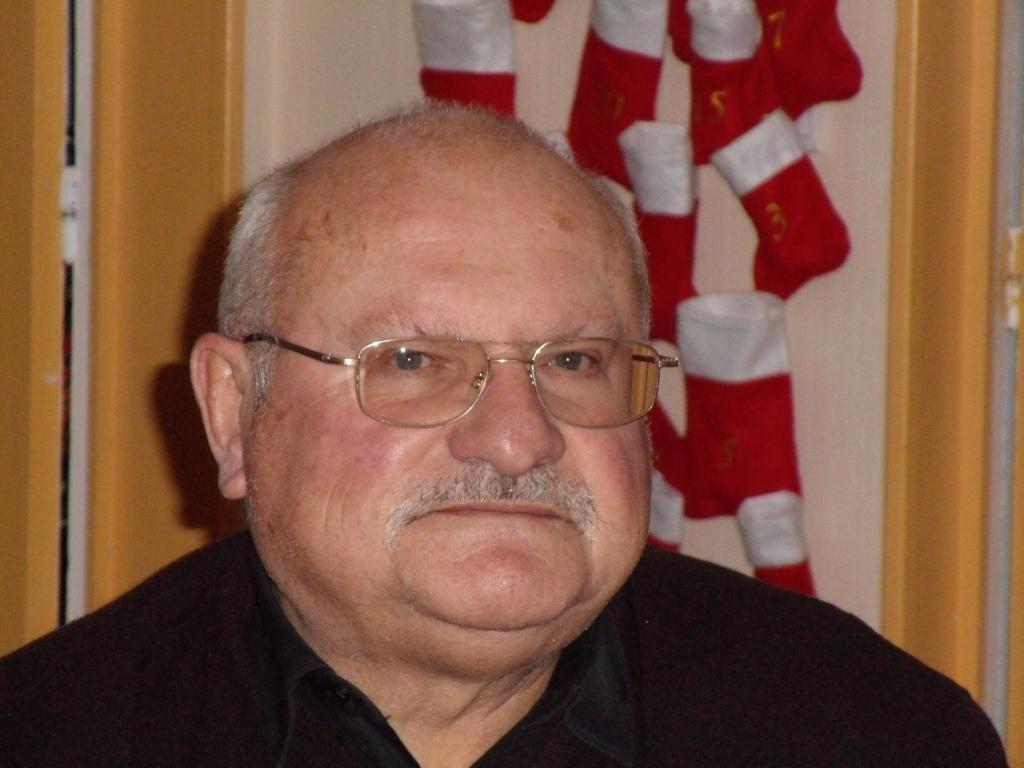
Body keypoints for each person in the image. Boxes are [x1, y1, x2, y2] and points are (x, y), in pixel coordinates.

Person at [0, 103, 1007, 767]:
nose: (518, 441)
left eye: (573, 362)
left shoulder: (870, 734)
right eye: (413, 361)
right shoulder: (54, 737)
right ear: (232, 411)